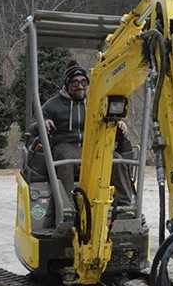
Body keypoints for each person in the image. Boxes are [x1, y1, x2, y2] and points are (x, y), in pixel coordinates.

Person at [37, 60, 134, 211]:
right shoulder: (53, 104)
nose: (80, 86)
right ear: (67, 84)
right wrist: (43, 122)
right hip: (67, 146)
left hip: (94, 148)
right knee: (65, 157)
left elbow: (109, 119)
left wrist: (118, 123)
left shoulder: (96, 103)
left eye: (84, 82)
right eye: (75, 83)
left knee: (117, 159)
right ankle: (67, 205)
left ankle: (124, 204)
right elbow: (35, 121)